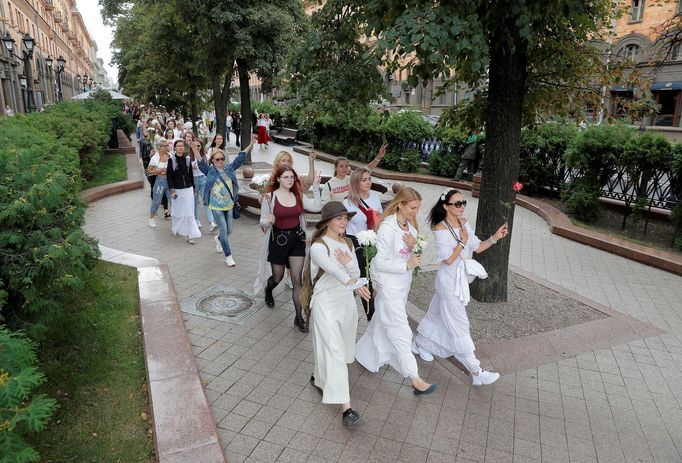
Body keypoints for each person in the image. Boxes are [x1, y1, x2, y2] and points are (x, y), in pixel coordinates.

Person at [413, 189, 508, 386]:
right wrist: (462, 242)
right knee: (459, 326)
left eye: (463, 202)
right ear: (446, 206)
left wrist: (495, 237)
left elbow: (478, 247)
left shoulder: (464, 223)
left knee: (436, 315)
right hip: (449, 283)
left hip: (459, 281)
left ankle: (419, 344)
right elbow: (447, 260)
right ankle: (476, 371)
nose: (462, 206)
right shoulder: (439, 228)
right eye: (457, 203)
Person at [355, 187, 437, 395]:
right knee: (400, 327)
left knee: (382, 321)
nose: (415, 212)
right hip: (388, 285)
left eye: (418, 208)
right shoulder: (387, 228)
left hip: (402, 285)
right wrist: (406, 265)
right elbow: (379, 262)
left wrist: (415, 246)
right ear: (399, 204)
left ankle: (363, 354)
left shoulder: (410, 226)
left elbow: (413, 254)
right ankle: (415, 377)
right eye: (412, 207)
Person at [307, 201, 371, 427]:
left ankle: (318, 377)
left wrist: (351, 269)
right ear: (327, 222)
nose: (344, 222)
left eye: (346, 218)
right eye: (339, 218)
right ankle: (347, 408)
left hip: (345, 303)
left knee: (340, 350)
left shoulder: (348, 243)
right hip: (325, 303)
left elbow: (354, 270)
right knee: (334, 351)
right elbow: (334, 270)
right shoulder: (318, 246)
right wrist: (353, 282)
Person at [253, 165, 321, 332]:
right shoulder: (270, 198)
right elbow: (262, 221)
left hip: (297, 240)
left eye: (292, 177)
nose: (290, 180)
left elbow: (316, 207)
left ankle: (299, 317)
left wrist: (317, 187)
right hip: (279, 241)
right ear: (278, 179)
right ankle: (269, 289)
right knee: (278, 276)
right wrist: (268, 221)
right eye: (286, 177)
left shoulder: (298, 195)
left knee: (297, 279)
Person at [197, 135, 257, 266]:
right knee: (224, 230)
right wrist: (193, 148)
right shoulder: (210, 171)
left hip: (229, 205)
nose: (220, 161)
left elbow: (240, 157)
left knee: (229, 231)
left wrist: (251, 144)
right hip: (216, 206)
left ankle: (218, 239)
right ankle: (228, 255)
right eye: (217, 159)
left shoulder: (229, 168)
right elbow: (200, 163)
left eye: (222, 159)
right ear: (212, 160)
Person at [343, 167, 383, 320]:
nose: (368, 183)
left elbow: (379, 220)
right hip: (357, 244)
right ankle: (371, 315)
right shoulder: (348, 202)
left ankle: (376, 311)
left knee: (375, 276)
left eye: (369, 179)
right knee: (365, 279)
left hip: (373, 241)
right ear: (356, 182)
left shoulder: (375, 198)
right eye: (364, 180)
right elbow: (343, 227)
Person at [321, 144, 388, 203]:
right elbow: (326, 206)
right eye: (341, 166)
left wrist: (379, 157)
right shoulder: (328, 185)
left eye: (346, 166)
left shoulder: (352, 178)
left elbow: (368, 168)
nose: (344, 169)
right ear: (336, 168)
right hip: (339, 213)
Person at [167, 139, 201, 244]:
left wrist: (193, 188)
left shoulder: (187, 159)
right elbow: (169, 177)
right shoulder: (171, 160)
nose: (181, 147)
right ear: (175, 148)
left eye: (182, 145)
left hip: (188, 189)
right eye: (178, 146)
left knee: (189, 211)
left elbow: (190, 175)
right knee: (178, 211)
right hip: (177, 190)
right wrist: (172, 191)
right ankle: (176, 227)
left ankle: (190, 234)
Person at [147, 139, 172, 227]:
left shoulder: (170, 155)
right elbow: (149, 171)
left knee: (173, 200)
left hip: (169, 182)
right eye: (165, 146)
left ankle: (177, 218)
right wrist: (159, 171)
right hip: (160, 182)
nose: (167, 147)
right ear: (159, 147)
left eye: (167, 145)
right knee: (156, 201)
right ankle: (151, 218)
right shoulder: (155, 158)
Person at [189, 138, 212, 230]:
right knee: (194, 202)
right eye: (195, 145)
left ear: (201, 147)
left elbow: (209, 169)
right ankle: (196, 220)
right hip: (193, 181)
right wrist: (190, 167)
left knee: (206, 200)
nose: (197, 147)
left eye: (199, 146)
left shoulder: (206, 157)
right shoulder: (188, 158)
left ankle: (211, 222)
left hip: (203, 179)